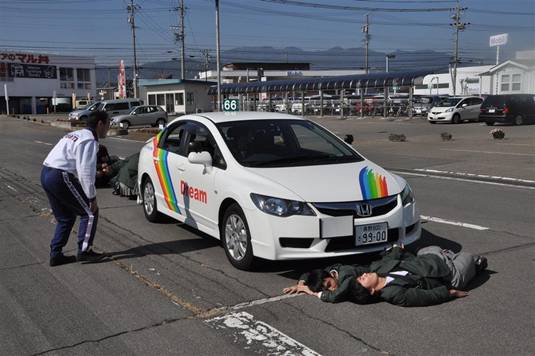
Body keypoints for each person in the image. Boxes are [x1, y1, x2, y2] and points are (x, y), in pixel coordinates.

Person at [283, 245, 488, 307]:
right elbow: (425, 297)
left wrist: (302, 282)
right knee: (469, 256)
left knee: (430, 249)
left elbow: (391, 258)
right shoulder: (393, 293)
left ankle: (449, 256)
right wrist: (451, 292)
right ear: (372, 290)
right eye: (362, 280)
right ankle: (474, 265)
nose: (362, 276)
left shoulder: (374, 269)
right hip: (447, 275)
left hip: (425, 261)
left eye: (327, 284)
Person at [41, 111, 110, 266]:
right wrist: (92, 198)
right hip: (60, 175)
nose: (109, 127)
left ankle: (56, 254)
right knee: (90, 212)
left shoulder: (78, 134)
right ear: (100, 124)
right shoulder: (89, 140)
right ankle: (84, 251)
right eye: (108, 123)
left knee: (65, 217)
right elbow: (85, 171)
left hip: (46, 172)